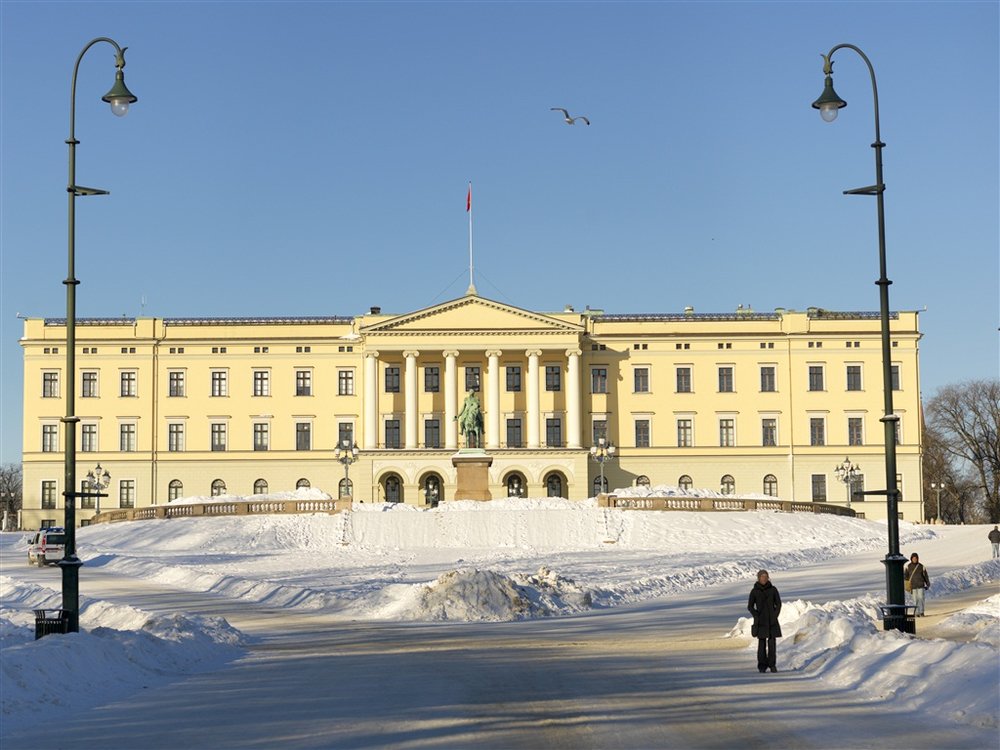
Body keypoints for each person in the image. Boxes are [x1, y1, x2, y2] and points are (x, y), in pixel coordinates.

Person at [747, 569, 782, 673]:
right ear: (758, 578)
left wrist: (775, 615)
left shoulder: (773, 589)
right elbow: (750, 606)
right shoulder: (754, 591)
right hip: (760, 621)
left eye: (766, 577)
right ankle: (762, 666)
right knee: (761, 644)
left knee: (772, 645)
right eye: (762, 577)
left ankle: (772, 665)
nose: (764, 579)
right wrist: (756, 615)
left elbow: (778, 604)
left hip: (772, 621)